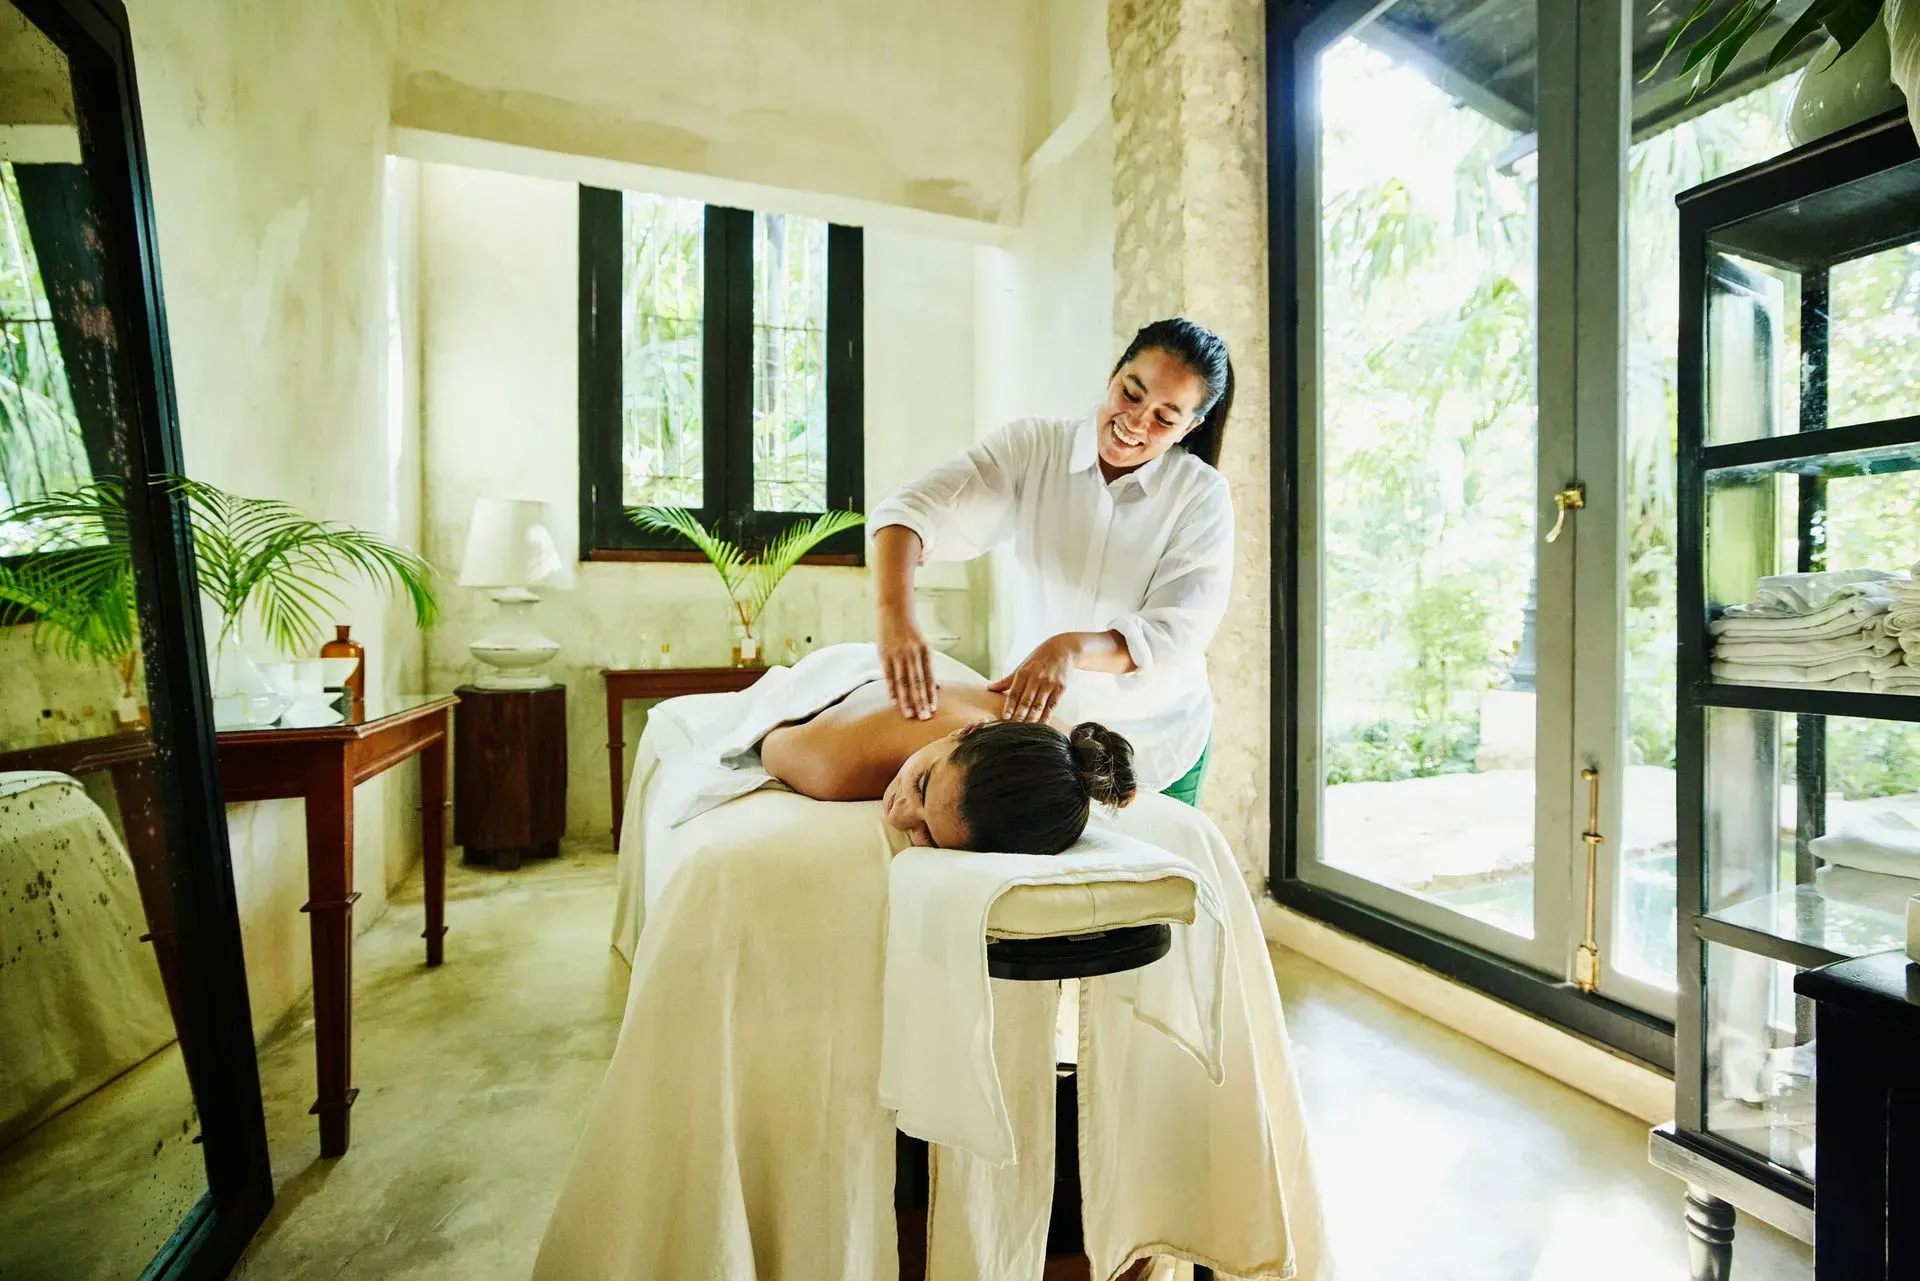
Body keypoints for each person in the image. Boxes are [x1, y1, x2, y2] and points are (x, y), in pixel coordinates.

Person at [868, 317, 1235, 805]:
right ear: (1114, 373)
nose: (1135, 422)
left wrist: (1069, 648)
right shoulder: (1034, 449)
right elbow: (912, 511)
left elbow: (1173, 634)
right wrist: (895, 617)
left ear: (1191, 426)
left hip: (1158, 739)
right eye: (1131, 393)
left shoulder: (1201, 496)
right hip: (1043, 738)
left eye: (1165, 419)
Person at [759, 669, 1135, 854]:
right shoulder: (831, 765)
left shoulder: (1057, 756)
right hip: (857, 674)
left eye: (927, 834)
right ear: (965, 732)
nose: (898, 817)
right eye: (920, 784)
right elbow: (769, 740)